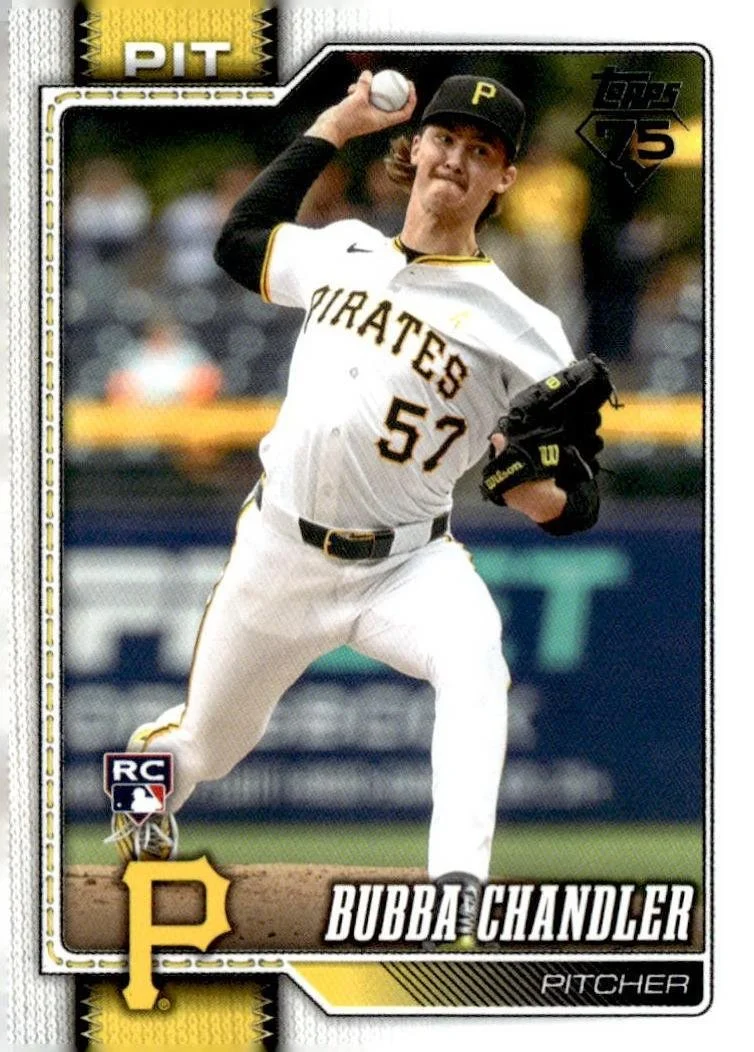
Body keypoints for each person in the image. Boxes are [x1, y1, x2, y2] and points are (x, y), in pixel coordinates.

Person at [108, 72, 600, 944]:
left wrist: (546, 497)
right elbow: (239, 240)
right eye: (446, 138)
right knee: (208, 749)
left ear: (503, 178)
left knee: (476, 662)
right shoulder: (344, 250)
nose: (457, 158)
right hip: (279, 550)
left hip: (408, 564)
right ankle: (141, 793)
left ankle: (457, 890)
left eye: (481, 150)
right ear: (417, 149)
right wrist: (334, 124)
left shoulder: (527, 329)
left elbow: (580, 496)